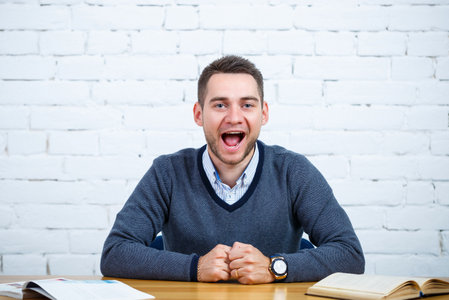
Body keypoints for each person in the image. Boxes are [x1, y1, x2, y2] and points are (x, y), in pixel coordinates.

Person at [100, 55, 365, 284]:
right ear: (198, 114)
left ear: (263, 113)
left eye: (247, 104)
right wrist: (194, 268)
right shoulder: (167, 173)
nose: (234, 117)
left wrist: (274, 268)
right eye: (220, 105)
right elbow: (116, 252)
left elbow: (349, 254)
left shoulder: (293, 172)